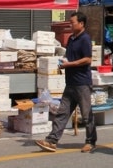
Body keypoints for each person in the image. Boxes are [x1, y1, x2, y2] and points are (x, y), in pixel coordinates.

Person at [36, 12, 96, 154]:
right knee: (62, 112)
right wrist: (63, 61)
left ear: (81, 24)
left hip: (82, 83)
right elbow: (69, 57)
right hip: (70, 83)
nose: (70, 24)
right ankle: (52, 141)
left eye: (73, 22)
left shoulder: (85, 39)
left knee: (87, 115)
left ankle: (90, 141)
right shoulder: (71, 39)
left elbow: (87, 59)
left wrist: (70, 64)